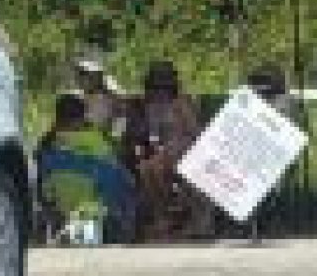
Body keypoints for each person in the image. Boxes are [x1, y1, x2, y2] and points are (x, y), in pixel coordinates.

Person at [123, 61, 213, 241]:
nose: (160, 91)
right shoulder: (149, 106)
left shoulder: (183, 102)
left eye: (163, 86)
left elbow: (197, 133)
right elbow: (150, 136)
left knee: (156, 166)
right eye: (156, 86)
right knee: (147, 168)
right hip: (165, 152)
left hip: (188, 149)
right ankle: (163, 215)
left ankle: (194, 220)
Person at [37, 94, 136, 243]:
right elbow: (115, 182)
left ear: (57, 118)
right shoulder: (96, 142)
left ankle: (65, 230)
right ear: (83, 117)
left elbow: (43, 188)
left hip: (62, 214)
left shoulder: (47, 145)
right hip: (95, 214)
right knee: (126, 181)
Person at [73, 57, 124, 137]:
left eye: (88, 76)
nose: (85, 79)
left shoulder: (110, 91)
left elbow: (121, 111)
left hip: (107, 132)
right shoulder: (77, 95)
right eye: (82, 74)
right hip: (86, 133)